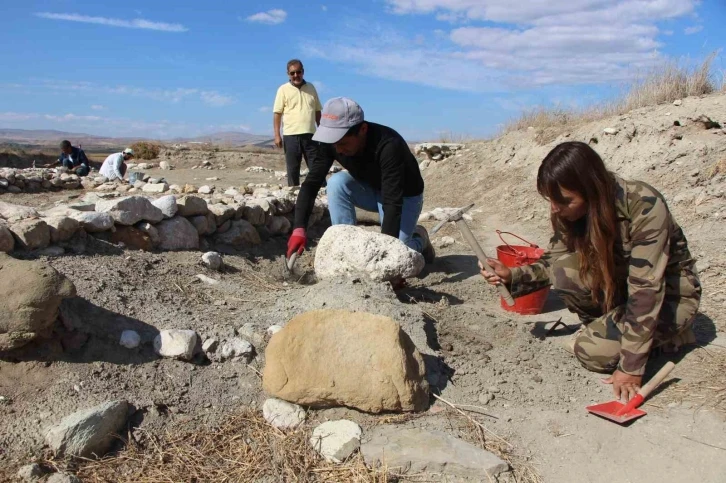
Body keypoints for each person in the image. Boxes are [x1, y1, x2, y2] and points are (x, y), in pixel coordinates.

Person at [480, 141, 701, 402]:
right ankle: (609, 331)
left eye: (563, 201)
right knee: (565, 272)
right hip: (621, 289)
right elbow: (554, 262)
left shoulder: (644, 205)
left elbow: (647, 289)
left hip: (670, 298)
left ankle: (668, 336)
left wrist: (631, 367)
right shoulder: (570, 211)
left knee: (590, 353)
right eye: (551, 200)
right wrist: (513, 275)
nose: (555, 208)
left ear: (592, 189)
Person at [287, 96, 435, 265]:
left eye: (343, 143)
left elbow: (392, 203)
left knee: (399, 254)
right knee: (336, 183)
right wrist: (299, 228)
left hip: (404, 197)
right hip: (371, 190)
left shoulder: (389, 145)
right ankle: (344, 248)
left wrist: (386, 259)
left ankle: (420, 239)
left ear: (362, 129)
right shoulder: (333, 142)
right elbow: (312, 183)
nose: (338, 150)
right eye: (334, 143)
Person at [273, 59, 323, 186]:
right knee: (293, 170)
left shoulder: (311, 88)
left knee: (317, 168)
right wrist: (277, 135)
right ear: (288, 74)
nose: (296, 75)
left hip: (311, 135)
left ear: (303, 72)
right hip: (291, 136)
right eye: (292, 73)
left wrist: (322, 132)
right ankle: (294, 201)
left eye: (298, 72)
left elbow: (317, 111)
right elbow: (277, 113)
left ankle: (323, 198)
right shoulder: (282, 90)